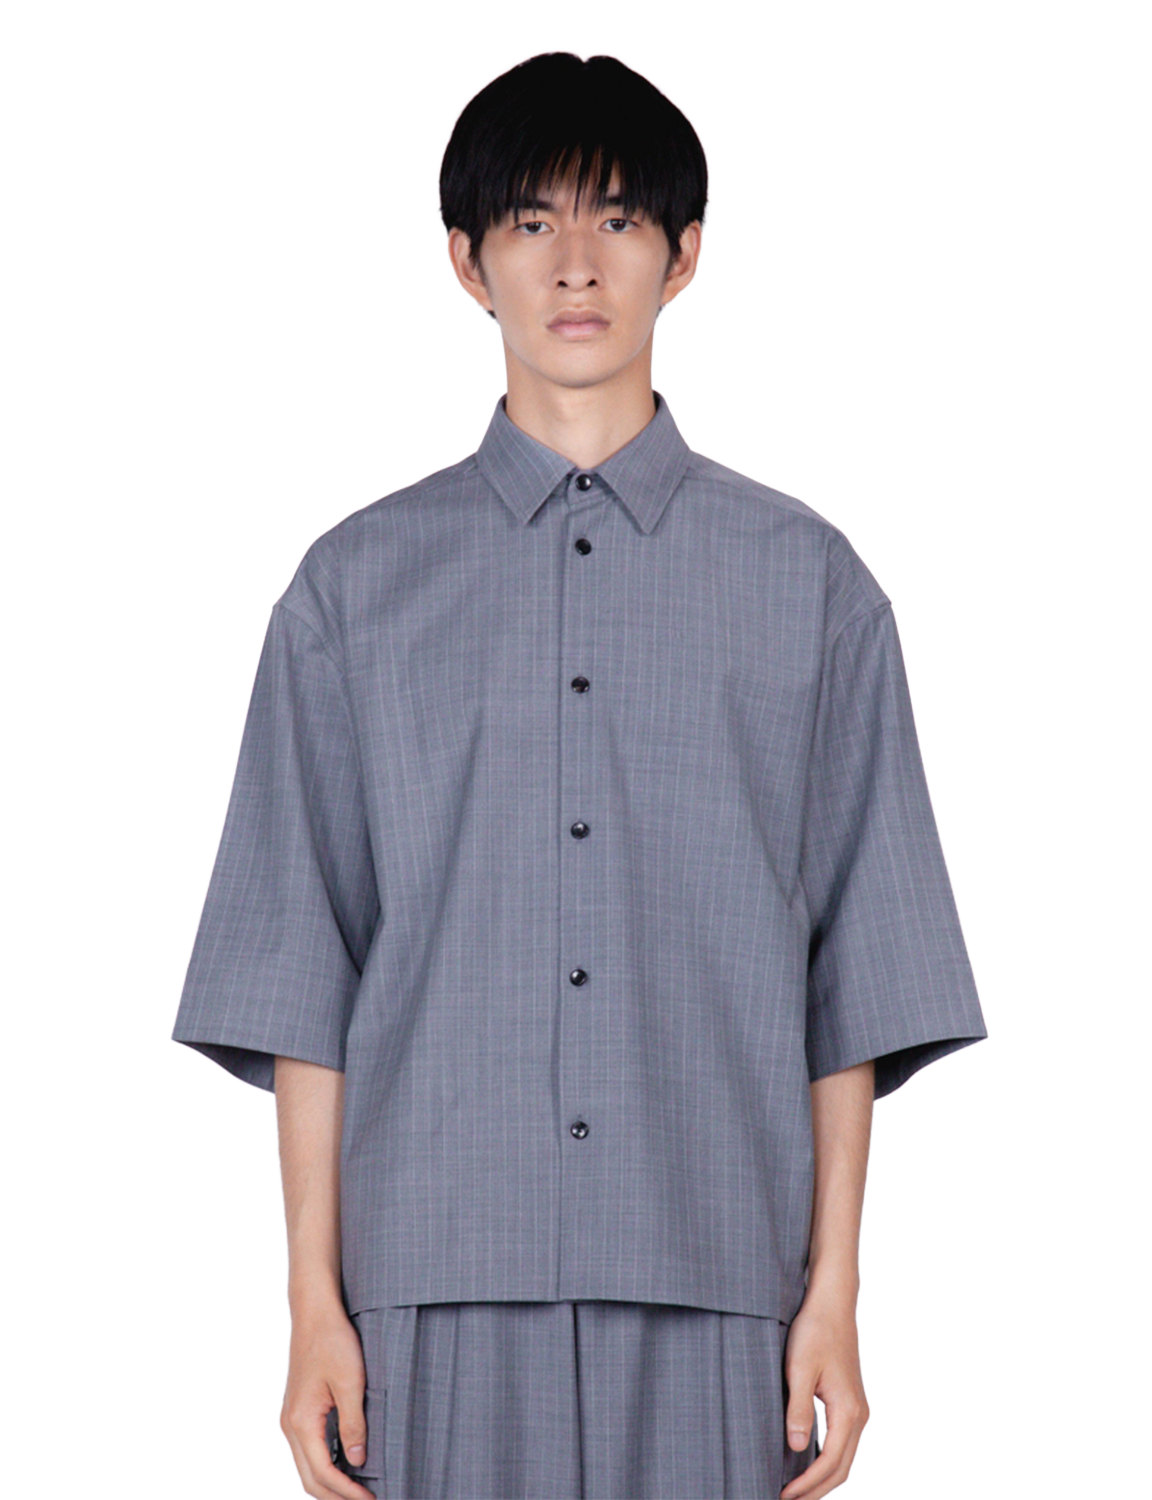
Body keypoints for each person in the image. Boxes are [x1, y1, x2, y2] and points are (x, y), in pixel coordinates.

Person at [172, 49, 988, 1500]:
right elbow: (303, 974)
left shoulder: (809, 587)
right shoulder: (354, 592)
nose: (575, 262)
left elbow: (856, 981)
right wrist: (312, 1306)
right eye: (532, 220)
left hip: (719, 1274)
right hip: (432, 1285)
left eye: (617, 218)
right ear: (466, 262)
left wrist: (834, 1296)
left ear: (684, 256)